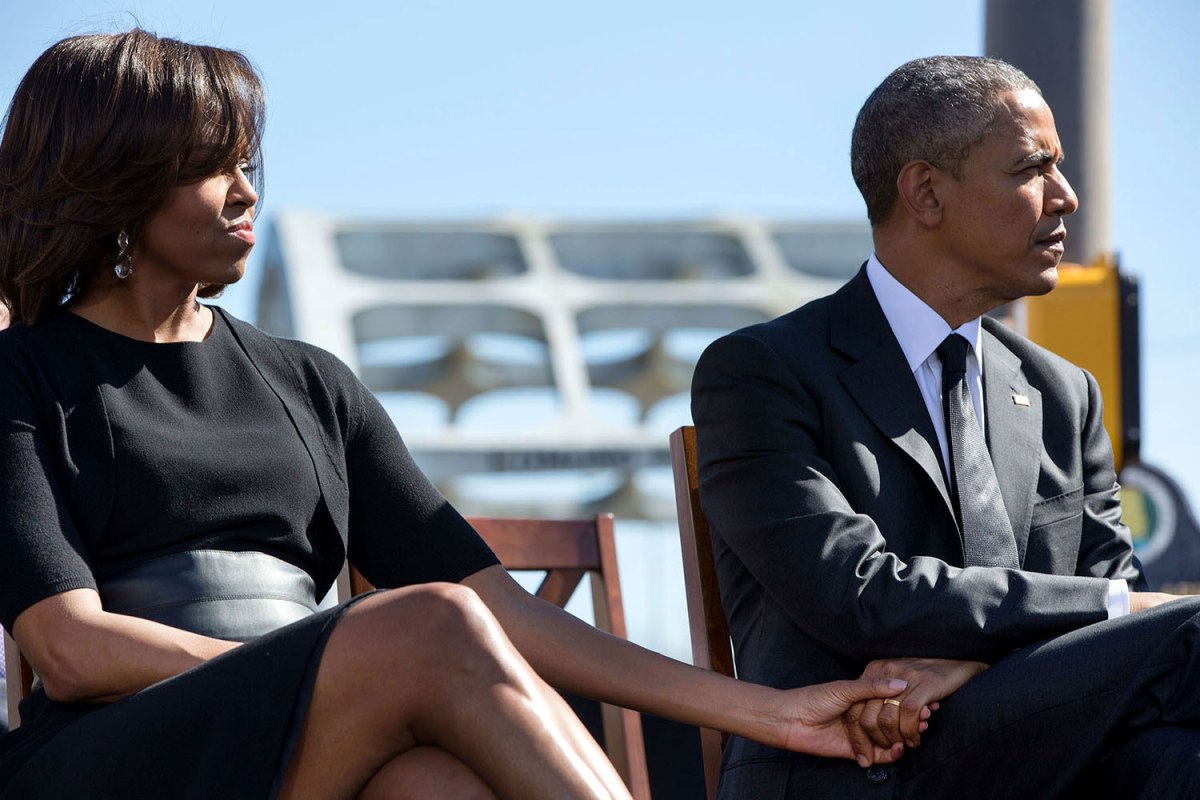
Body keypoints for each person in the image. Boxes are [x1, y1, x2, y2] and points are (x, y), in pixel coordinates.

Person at [0, 29, 978, 800]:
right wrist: (330, 663)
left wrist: (775, 711)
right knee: (422, 622)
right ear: (118, 185)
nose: (247, 190)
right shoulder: (21, 375)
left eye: (249, 160)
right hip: (110, 753)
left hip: (307, 735)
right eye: (211, 165)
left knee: (444, 783)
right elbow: (71, 647)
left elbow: (502, 613)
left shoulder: (308, 380)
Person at [692, 55, 1200, 799]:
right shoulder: (763, 371)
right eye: (1032, 169)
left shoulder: (1063, 394)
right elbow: (859, 596)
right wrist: (1128, 610)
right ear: (925, 192)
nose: (1066, 197)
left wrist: (979, 662)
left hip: (1053, 757)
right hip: (858, 762)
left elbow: (1112, 629)